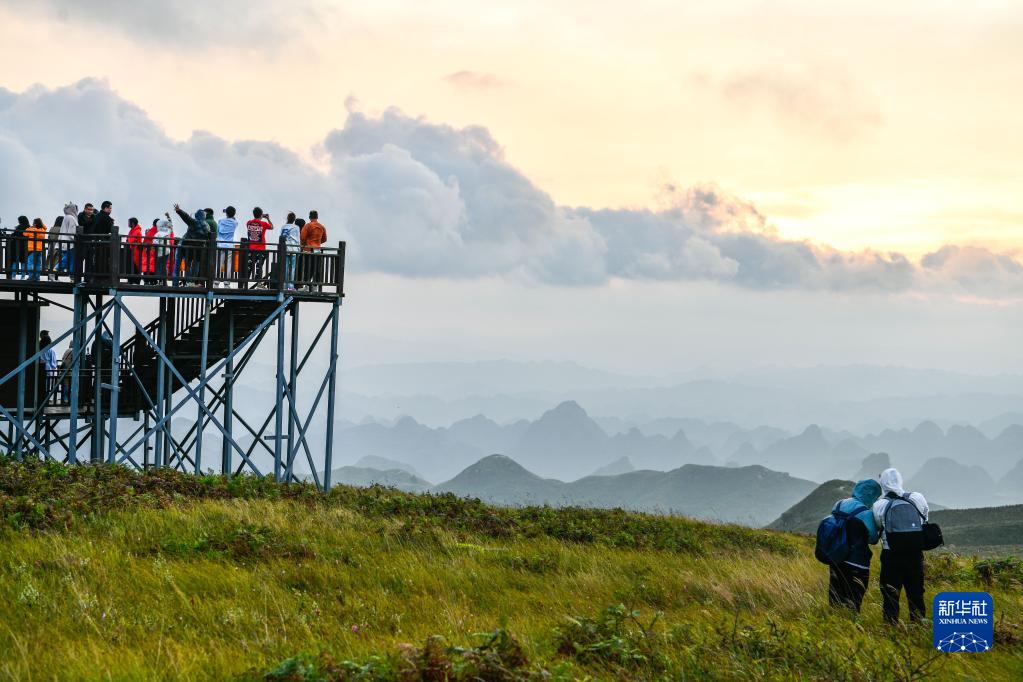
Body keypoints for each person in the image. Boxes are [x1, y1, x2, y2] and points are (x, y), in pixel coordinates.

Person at [873, 468, 930, 624]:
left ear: (883, 483)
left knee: (890, 594)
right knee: (916, 593)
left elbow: (879, 526)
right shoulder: (917, 498)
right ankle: (918, 626)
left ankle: (890, 626)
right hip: (914, 554)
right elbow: (924, 519)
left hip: (891, 555)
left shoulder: (879, 505)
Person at [825, 479, 882, 612]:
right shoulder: (865, 513)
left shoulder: (838, 504)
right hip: (856, 563)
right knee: (853, 600)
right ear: (871, 495)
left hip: (837, 558)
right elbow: (873, 539)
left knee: (835, 595)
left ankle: (833, 623)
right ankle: (851, 625)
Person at [172, 204, 211, 285]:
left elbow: (186, 217)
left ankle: (177, 282)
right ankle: (191, 282)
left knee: (185, 265)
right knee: (196, 265)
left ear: (197, 216)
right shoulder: (207, 226)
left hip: (188, 249)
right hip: (199, 251)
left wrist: (179, 210)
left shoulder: (194, 222)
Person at [300, 209, 327, 291]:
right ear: (317, 217)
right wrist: (318, 242)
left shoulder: (308, 226)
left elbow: (302, 237)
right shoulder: (322, 227)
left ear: (309, 217)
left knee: (308, 268)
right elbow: (325, 239)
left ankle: (307, 287)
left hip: (309, 250)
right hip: (317, 250)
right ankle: (315, 287)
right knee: (316, 269)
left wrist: (304, 245)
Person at [245, 207, 273, 283]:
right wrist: (267, 218)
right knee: (259, 267)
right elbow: (272, 227)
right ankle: (258, 283)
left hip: (251, 249)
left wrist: (259, 217)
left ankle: (245, 283)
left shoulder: (248, 223)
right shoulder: (263, 224)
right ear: (261, 215)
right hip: (261, 250)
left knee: (249, 267)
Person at [145, 215, 175, 284]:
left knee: (158, 267)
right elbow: (171, 227)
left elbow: (155, 243)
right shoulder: (168, 232)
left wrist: (149, 249)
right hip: (167, 252)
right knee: (164, 266)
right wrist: (169, 218)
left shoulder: (157, 234)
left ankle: (159, 280)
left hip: (159, 253)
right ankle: (164, 281)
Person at [279, 212, 301, 289]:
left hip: (284, 248)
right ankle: (290, 285)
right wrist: (299, 249)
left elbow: (281, 237)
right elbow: (298, 239)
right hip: (293, 249)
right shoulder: (296, 227)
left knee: (285, 267)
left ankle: (284, 285)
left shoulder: (283, 227)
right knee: (292, 268)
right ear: (294, 219)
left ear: (287, 218)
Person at [216, 206, 238, 280]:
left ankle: (216, 282)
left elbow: (217, 231)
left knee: (218, 264)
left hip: (220, 245)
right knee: (228, 265)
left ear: (226, 213)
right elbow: (234, 219)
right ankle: (227, 283)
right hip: (229, 245)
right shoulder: (235, 223)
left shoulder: (220, 221)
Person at [57, 202, 79, 276]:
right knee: (69, 258)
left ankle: (70, 274)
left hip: (63, 242)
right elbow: (71, 232)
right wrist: (76, 239)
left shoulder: (66, 217)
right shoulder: (72, 218)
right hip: (70, 243)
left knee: (68, 258)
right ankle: (56, 269)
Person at [125, 218, 144, 284]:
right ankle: (131, 280)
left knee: (135, 265)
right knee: (131, 265)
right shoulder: (133, 230)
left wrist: (128, 241)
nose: (128, 224)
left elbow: (132, 240)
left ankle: (136, 280)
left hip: (135, 251)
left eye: (129, 222)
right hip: (132, 250)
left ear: (132, 223)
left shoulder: (137, 231)